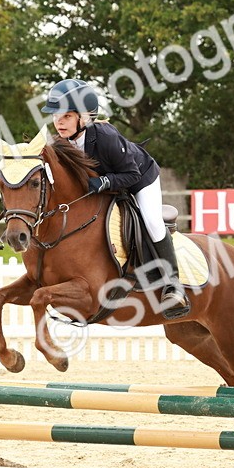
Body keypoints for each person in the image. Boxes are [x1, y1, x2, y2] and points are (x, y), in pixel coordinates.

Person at [40, 78, 190, 319]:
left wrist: (103, 182)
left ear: (84, 117)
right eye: (56, 115)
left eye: (66, 116)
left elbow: (131, 174)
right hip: (108, 186)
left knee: (151, 220)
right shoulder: (60, 144)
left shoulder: (105, 135)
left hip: (140, 178)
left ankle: (174, 285)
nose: (59, 121)